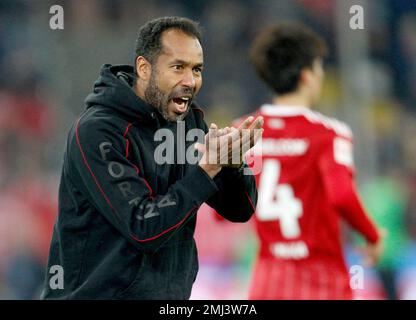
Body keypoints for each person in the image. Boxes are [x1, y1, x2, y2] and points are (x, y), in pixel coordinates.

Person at [41, 16, 263, 299]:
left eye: (197, 69)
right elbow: (144, 227)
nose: (190, 81)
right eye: (178, 67)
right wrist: (207, 169)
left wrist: (234, 164)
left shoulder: (187, 123)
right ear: (144, 68)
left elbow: (240, 210)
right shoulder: (98, 131)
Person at [242, 22, 383, 299]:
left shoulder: (242, 130)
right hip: (320, 278)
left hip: (268, 279)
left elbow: (224, 211)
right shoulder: (328, 133)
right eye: (319, 67)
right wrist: (372, 236)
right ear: (307, 75)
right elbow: (341, 195)